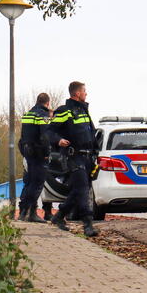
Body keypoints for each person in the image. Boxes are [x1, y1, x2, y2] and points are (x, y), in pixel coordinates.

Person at [46, 81, 99, 237]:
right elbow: (49, 132)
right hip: (74, 156)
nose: (86, 94)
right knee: (83, 190)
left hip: (88, 157)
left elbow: (91, 134)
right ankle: (88, 224)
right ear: (77, 93)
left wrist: (96, 153)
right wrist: (58, 140)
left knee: (78, 190)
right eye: (84, 91)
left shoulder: (83, 110)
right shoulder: (65, 111)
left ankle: (58, 216)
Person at [18, 93, 51, 223]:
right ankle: (31, 213)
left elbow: (22, 137)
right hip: (39, 154)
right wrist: (47, 152)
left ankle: (23, 213)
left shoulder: (27, 115)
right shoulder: (43, 114)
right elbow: (45, 136)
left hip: (28, 153)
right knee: (37, 184)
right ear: (47, 103)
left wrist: (24, 152)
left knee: (29, 183)